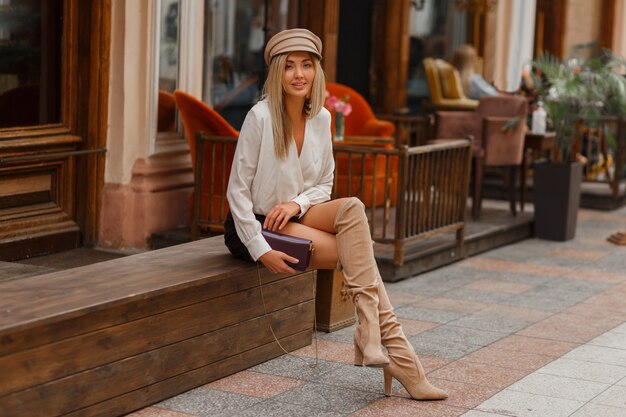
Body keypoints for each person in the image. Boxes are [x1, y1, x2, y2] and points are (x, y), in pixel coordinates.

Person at [224, 28, 448, 401]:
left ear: (317, 72)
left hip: (296, 215)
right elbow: (237, 191)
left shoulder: (323, 118)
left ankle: (376, 337)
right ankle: (395, 354)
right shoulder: (259, 117)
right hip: (256, 225)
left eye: (307, 66)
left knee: (353, 209)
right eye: (289, 66)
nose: (299, 74)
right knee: (362, 258)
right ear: (277, 72)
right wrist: (258, 246)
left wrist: (296, 204)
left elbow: (324, 184)